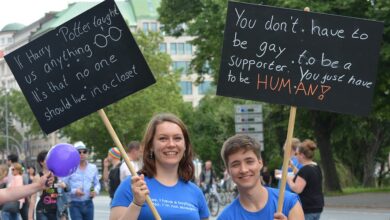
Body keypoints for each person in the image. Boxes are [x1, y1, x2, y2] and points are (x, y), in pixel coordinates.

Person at [110, 113, 209, 220]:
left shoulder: (196, 192)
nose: (171, 144)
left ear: (185, 145)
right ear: (151, 145)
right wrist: (136, 204)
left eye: (177, 138)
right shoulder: (132, 186)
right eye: (163, 139)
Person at [218, 134, 304, 220]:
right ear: (228, 171)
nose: (243, 170)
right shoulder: (226, 217)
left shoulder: (289, 202)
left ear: (260, 163)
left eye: (249, 161)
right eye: (235, 164)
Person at [287, 139, 324, 220]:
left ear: (302, 155)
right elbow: (303, 175)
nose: (295, 156)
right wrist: (293, 166)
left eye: (297, 154)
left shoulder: (305, 170)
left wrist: (288, 179)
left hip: (308, 207)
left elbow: (297, 189)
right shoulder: (315, 167)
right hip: (317, 206)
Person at [63, 142, 101, 220]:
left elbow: (97, 184)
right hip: (74, 204)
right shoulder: (70, 168)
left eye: (84, 151)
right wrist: (74, 191)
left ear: (87, 153)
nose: (82, 154)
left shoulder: (93, 168)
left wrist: (95, 191)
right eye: (79, 152)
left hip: (89, 203)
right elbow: (63, 186)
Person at [29, 150, 70, 220]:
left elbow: (68, 189)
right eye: (47, 159)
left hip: (57, 210)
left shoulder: (58, 174)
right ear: (41, 162)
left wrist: (65, 186)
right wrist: (30, 217)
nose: (50, 161)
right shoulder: (38, 177)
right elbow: (33, 199)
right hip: (42, 210)